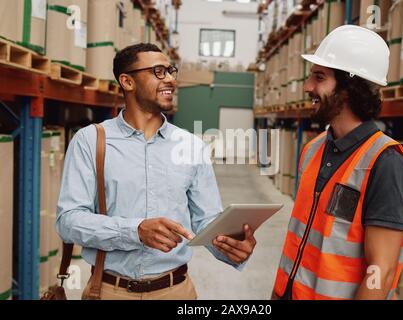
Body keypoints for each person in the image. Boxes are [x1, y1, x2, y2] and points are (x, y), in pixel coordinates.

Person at [56, 43, 256, 300]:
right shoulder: (90, 140)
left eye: (171, 71)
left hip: (176, 291)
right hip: (109, 291)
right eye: (158, 71)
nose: (171, 79)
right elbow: (68, 221)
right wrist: (136, 231)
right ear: (127, 81)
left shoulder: (191, 145)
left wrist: (231, 246)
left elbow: (206, 221)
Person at [272, 25, 403, 300]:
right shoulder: (313, 149)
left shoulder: (386, 164)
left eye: (319, 77)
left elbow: (381, 273)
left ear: (350, 88)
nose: (307, 87)